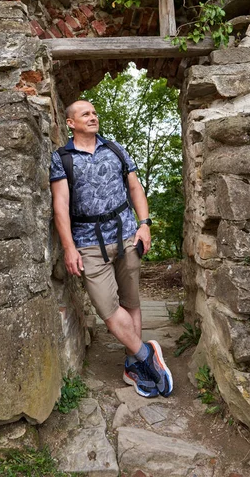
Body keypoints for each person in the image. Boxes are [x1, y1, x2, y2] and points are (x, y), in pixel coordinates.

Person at [50, 100, 173, 398]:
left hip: (127, 236)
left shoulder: (115, 149)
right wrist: (69, 248)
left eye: (94, 113)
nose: (93, 117)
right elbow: (61, 206)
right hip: (89, 243)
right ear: (70, 123)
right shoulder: (62, 158)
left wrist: (144, 224)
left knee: (131, 301)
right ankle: (147, 355)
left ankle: (133, 364)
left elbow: (135, 188)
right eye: (85, 114)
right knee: (107, 307)